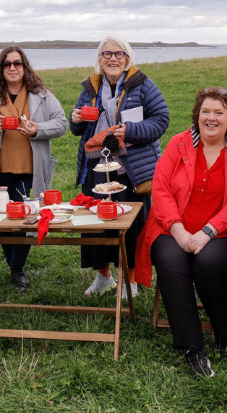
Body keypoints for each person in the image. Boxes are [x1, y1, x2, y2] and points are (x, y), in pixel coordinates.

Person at [134, 87, 227, 378]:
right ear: (197, 115)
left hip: (223, 232)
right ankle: (193, 347)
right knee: (171, 261)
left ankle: (226, 335)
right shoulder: (178, 145)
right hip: (172, 227)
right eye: (206, 112)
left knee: (209, 262)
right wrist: (178, 231)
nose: (211, 118)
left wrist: (207, 232)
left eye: (218, 112)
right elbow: (161, 189)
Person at [69, 34, 169, 299]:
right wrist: (76, 117)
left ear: (127, 59)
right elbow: (77, 128)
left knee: (131, 225)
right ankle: (103, 277)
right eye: (107, 54)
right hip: (96, 166)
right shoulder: (90, 88)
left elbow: (162, 119)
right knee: (96, 223)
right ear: (99, 61)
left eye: (118, 54)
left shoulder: (142, 85)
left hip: (130, 168)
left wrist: (131, 131)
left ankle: (130, 281)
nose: (112, 59)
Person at [0, 47, 68, 292]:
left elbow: (62, 123)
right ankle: (15, 269)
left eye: (17, 63)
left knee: (25, 219)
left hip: (29, 169)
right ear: (1, 69)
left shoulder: (41, 94)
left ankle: (16, 268)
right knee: (3, 219)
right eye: (7, 64)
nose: (12, 68)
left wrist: (37, 129)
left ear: (25, 67)